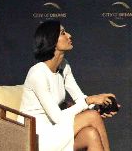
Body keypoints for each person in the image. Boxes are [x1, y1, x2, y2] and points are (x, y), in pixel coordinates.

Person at [20, 20, 119, 151]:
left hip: (55, 129)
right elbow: (58, 117)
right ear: (52, 41)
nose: (69, 35)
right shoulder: (37, 73)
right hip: (35, 136)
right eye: (63, 33)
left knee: (91, 134)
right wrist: (90, 101)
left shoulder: (64, 66)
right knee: (92, 117)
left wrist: (99, 106)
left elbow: (80, 98)